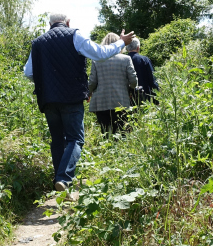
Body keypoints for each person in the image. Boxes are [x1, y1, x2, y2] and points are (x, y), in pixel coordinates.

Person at [23, 13, 135, 192]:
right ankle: (63, 178)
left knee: (58, 140)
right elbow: (100, 53)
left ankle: (61, 185)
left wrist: (48, 83)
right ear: (67, 22)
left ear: (49, 24)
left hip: (48, 99)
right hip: (71, 97)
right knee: (75, 139)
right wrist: (122, 42)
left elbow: (29, 72)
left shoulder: (38, 42)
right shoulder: (74, 35)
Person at [88, 33, 138, 134]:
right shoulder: (126, 59)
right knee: (122, 133)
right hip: (121, 101)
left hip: (101, 102)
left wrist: (88, 93)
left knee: (105, 132)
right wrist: (130, 90)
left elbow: (92, 82)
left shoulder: (96, 60)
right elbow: (133, 80)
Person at [126, 37, 159, 104]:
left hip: (128, 97)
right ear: (138, 47)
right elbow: (152, 79)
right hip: (145, 96)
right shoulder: (144, 60)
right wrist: (157, 98)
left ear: (126, 48)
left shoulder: (123, 60)